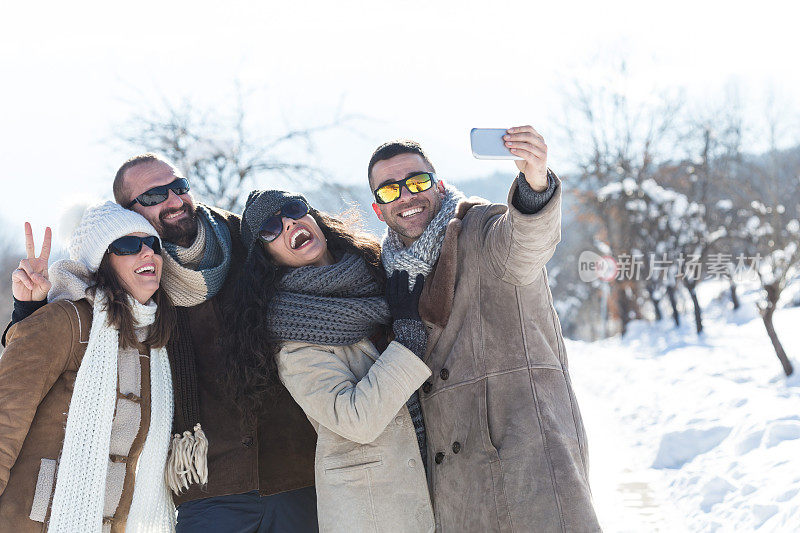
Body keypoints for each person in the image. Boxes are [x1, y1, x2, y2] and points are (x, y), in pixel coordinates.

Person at [4, 154, 319, 532]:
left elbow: (320, 263)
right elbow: (18, 394)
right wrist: (28, 311)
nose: (173, 200)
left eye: (179, 187)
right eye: (153, 196)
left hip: (292, 473)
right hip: (205, 488)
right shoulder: (100, 311)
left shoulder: (244, 243)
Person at [367, 126, 601, 532]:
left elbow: (525, 243)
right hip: (456, 491)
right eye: (389, 190)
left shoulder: (479, 227)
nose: (405, 196)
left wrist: (534, 183)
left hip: (528, 468)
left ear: (437, 185)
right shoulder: (388, 276)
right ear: (377, 209)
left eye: (416, 181)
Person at [224, 190, 435, 532]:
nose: (289, 222)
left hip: (440, 475)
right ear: (267, 257)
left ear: (315, 219)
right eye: (270, 228)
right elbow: (355, 420)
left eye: (294, 209)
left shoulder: (380, 275)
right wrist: (407, 345)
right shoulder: (293, 337)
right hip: (377, 509)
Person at [0, 202, 175, 532]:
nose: (146, 253)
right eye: (127, 245)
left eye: (153, 244)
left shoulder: (156, 343)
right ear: (102, 262)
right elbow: (5, 418)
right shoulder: (66, 322)